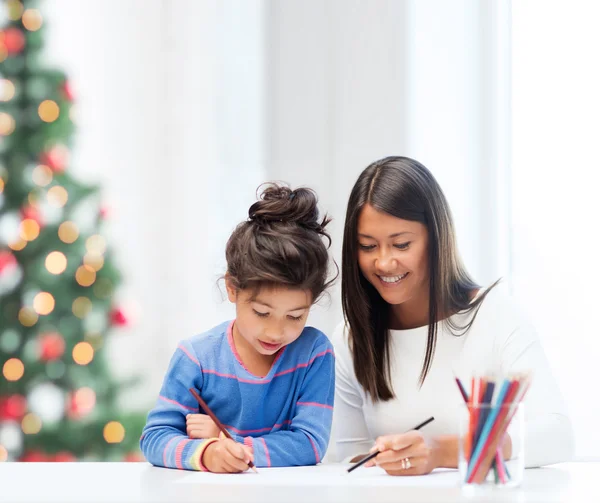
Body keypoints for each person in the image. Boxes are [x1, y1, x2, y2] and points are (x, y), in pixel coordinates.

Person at [332, 156, 574, 475]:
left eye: (401, 244)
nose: (384, 263)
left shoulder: (495, 317)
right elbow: (347, 461)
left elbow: (558, 436)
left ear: (436, 239)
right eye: (367, 246)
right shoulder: (350, 336)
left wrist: (444, 451)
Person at [141, 183, 336, 473]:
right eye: (261, 313)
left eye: (295, 316)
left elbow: (310, 443)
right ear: (232, 289)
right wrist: (207, 453)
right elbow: (155, 438)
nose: (275, 332)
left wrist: (230, 441)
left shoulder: (314, 354)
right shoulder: (196, 357)